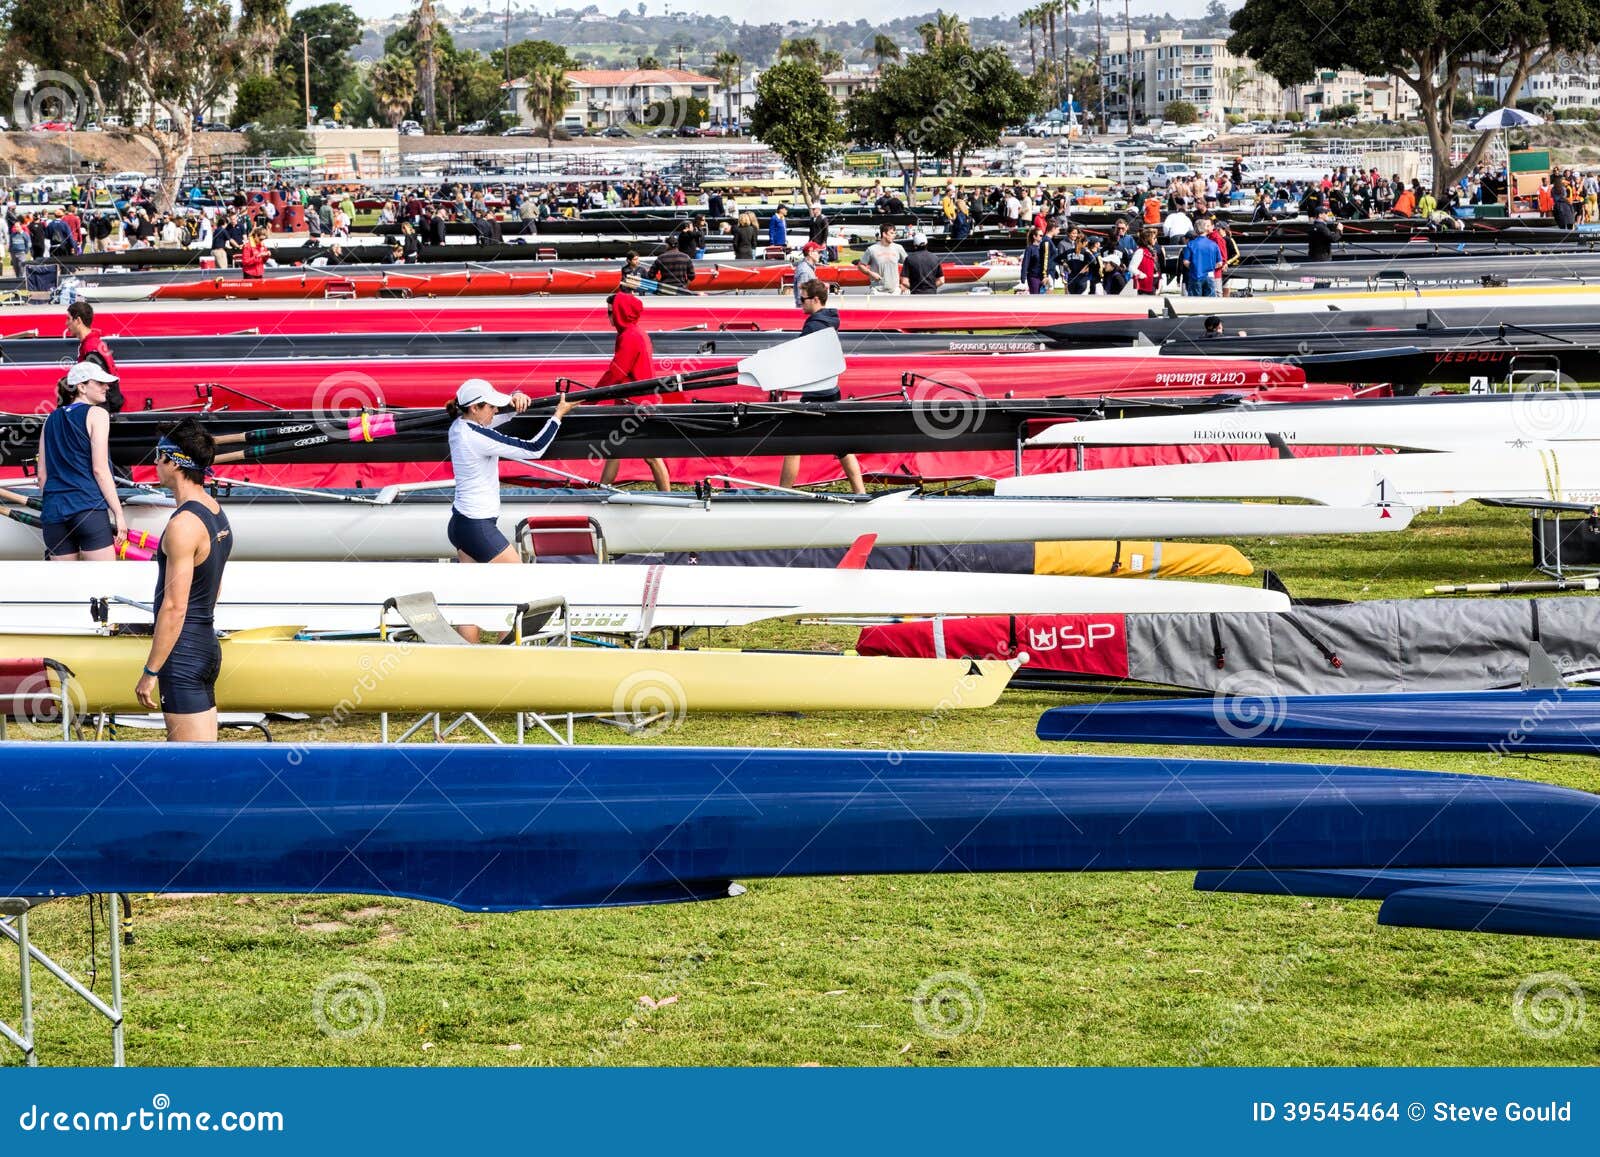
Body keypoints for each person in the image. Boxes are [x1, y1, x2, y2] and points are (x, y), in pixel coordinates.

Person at [129, 419, 232, 739]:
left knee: (192, 772)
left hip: (183, 654)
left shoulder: (183, 525)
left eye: (157, 455)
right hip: (205, 644)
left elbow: (174, 607)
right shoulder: (215, 510)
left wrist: (150, 672)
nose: (154, 463)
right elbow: (214, 587)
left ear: (173, 462)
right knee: (200, 766)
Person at [447, 378, 575, 568]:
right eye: (492, 406)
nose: (497, 410)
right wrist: (558, 415)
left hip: (461, 524)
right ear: (475, 408)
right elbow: (534, 449)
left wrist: (516, 397)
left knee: (477, 593)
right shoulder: (476, 437)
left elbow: (496, 419)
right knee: (519, 580)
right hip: (477, 527)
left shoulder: (460, 425)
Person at [36, 361, 127, 562]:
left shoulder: (49, 419)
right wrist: (119, 514)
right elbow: (100, 469)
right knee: (104, 586)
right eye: (100, 382)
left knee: (65, 590)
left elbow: (42, 475)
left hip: (54, 513)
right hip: (88, 507)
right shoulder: (98, 414)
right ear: (82, 387)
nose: (107, 387)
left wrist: (52, 504)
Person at [780, 280, 864, 495]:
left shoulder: (814, 325)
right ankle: (860, 492)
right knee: (841, 445)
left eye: (803, 299)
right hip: (831, 390)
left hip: (816, 393)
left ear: (816, 299)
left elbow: (799, 356)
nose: (800, 303)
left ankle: (783, 494)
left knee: (792, 445)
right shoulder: (829, 321)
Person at [596, 292, 672, 491]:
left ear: (621, 312)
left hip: (636, 404)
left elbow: (617, 371)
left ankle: (669, 497)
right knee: (615, 449)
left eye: (611, 312)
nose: (608, 316)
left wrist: (591, 396)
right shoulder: (634, 332)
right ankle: (602, 492)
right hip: (633, 402)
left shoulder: (629, 336)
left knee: (651, 455)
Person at [856, 224, 907, 294]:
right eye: (891, 233)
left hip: (895, 291)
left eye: (895, 233)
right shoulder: (872, 249)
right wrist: (870, 273)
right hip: (877, 291)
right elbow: (860, 266)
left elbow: (908, 265)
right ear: (884, 234)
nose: (894, 235)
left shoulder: (898, 248)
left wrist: (904, 283)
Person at [1179, 227, 1221, 296]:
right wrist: (1210, 267)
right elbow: (1220, 263)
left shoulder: (1191, 244)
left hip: (1195, 275)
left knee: (1195, 302)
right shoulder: (1213, 244)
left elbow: (1186, 262)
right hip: (1209, 276)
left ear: (1196, 231)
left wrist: (1194, 268)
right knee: (1210, 302)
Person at [792, 241, 821, 306]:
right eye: (818, 252)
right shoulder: (805, 270)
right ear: (810, 253)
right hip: (806, 309)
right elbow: (802, 296)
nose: (820, 255)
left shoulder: (808, 268)